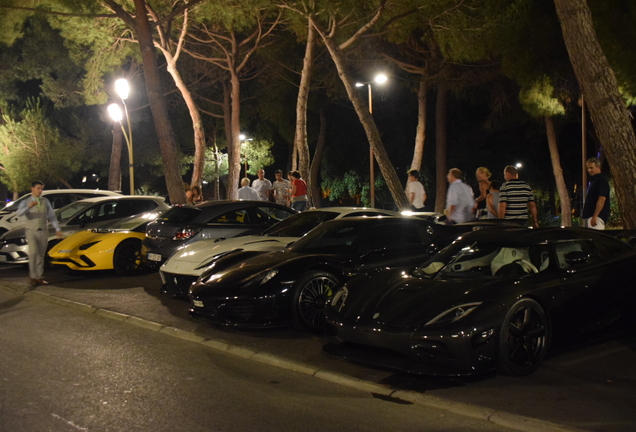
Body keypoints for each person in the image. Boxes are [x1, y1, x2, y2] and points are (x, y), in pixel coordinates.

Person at [17, 181, 63, 286]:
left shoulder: (45, 201)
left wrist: (57, 229)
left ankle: (39, 277)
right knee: (33, 253)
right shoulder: (25, 201)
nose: (40, 191)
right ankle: (33, 276)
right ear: (32, 189)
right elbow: (19, 213)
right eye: (38, 188)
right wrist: (29, 207)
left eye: (41, 189)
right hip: (31, 231)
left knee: (41, 255)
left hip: (43, 230)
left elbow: (51, 216)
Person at [582, 157, 610, 230]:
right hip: (594, 216)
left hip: (597, 216)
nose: (589, 170)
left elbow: (602, 198)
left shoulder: (601, 180)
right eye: (588, 168)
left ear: (598, 167)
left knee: (596, 239)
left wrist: (595, 216)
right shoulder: (595, 180)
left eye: (591, 168)